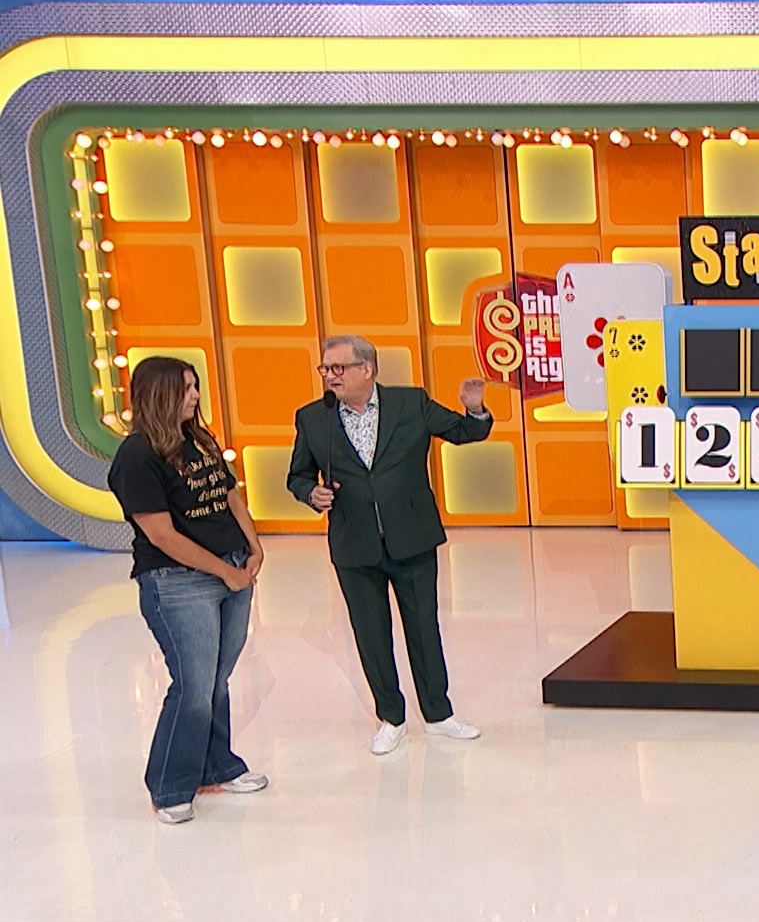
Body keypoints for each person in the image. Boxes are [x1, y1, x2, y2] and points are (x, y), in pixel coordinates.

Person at [286, 335, 494, 755]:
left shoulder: (410, 403)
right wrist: (311, 493)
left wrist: (474, 409)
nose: (330, 376)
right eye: (325, 369)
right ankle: (391, 717)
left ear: (367, 369)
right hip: (354, 544)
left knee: (424, 627)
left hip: (411, 536)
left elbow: (464, 432)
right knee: (371, 634)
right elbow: (298, 475)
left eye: (339, 368)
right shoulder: (312, 417)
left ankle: (438, 714)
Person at [107, 356, 270, 824]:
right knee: (193, 685)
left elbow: (229, 495)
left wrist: (254, 547)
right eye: (186, 388)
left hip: (232, 571)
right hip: (179, 582)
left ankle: (217, 766)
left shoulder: (198, 439)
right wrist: (224, 572)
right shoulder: (137, 456)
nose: (196, 396)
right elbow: (161, 535)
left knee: (215, 680)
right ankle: (170, 786)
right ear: (159, 394)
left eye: (195, 386)